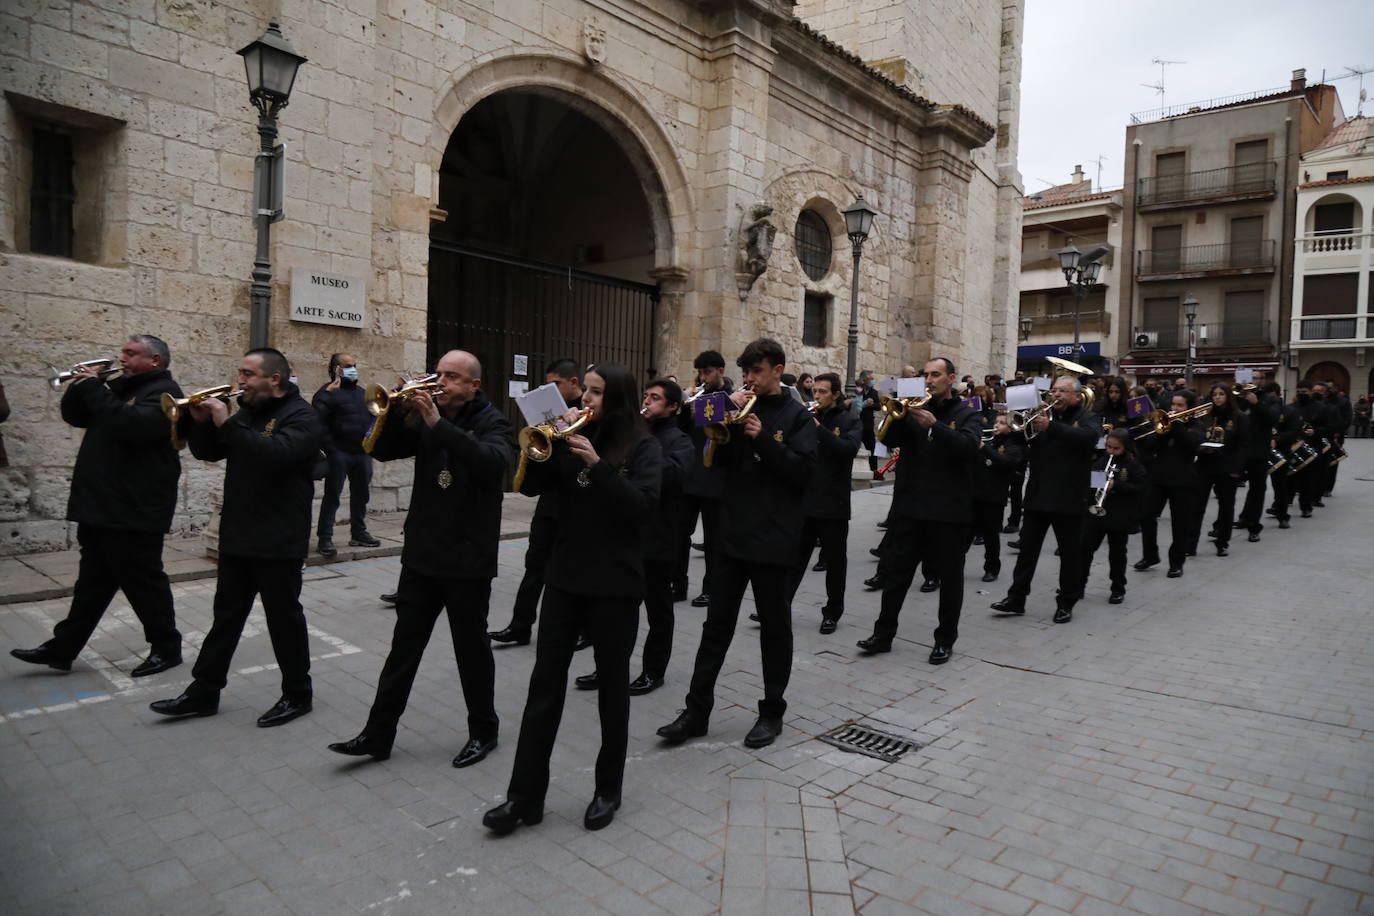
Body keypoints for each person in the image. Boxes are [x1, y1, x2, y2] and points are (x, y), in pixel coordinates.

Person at [483, 363, 662, 836]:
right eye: (584, 389)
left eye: (597, 392)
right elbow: (531, 488)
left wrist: (597, 466)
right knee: (544, 687)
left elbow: (642, 509)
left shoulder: (644, 446)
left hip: (615, 586)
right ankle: (524, 797)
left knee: (610, 692)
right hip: (564, 578)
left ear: (619, 398)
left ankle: (608, 789)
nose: (585, 398)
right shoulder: (569, 435)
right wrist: (544, 447)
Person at [327, 350, 515, 766]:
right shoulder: (427, 414)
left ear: (473, 385)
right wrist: (395, 409)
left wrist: (436, 423)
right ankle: (377, 735)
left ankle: (484, 731)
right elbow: (382, 450)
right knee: (403, 650)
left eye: (451, 377)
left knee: (471, 651)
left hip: (468, 558)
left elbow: (491, 464)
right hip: (423, 554)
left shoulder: (494, 423)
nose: (441, 383)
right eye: (439, 374)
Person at [150, 348, 324, 726]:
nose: (239, 381)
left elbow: (275, 455)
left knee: (284, 619)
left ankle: (298, 694)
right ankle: (204, 692)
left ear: (273, 379)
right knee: (225, 618)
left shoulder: (303, 417)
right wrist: (199, 423)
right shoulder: (248, 412)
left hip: (279, 537)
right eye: (240, 373)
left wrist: (225, 422)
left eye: (247, 374)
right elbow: (211, 452)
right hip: (239, 533)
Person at [657, 338, 816, 749]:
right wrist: (724, 413)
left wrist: (763, 438)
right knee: (715, 628)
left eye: (756, 372)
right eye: (745, 372)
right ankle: (696, 712)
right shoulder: (734, 404)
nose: (749, 379)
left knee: (774, 630)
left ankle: (771, 711)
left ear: (778, 370)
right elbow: (700, 439)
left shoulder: (798, 416)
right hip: (730, 534)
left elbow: (800, 474)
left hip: (774, 539)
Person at [10, 335, 185, 677]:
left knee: (143, 582)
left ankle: (167, 647)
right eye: (123, 352)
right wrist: (79, 386)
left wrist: (94, 388)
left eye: (131, 354)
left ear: (154, 361)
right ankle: (63, 648)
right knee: (92, 583)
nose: (122, 358)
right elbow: (75, 416)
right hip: (102, 505)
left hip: (135, 509)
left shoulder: (165, 394)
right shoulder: (118, 387)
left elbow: (128, 426)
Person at [857, 358, 981, 663]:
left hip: (949, 513)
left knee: (950, 581)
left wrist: (935, 426)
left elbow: (968, 448)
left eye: (935, 375)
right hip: (911, 508)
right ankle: (882, 635)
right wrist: (896, 415)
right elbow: (887, 439)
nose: (929, 379)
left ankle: (944, 640)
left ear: (951, 378)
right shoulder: (911, 410)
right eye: (926, 375)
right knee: (896, 576)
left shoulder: (968, 414)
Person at [575, 378, 694, 695]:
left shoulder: (679, 441)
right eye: (646, 396)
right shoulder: (630, 435)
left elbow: (674, 477)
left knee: (658, 610)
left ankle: (654, 671)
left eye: (656, 399)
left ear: (672, 407)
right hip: (624, 534)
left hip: (658, 537)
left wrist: (642, 459)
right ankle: (608, 668)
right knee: (612, 609)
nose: (648, 402)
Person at [488, 359, 584, 645]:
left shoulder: (586, 416)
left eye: (555, 384)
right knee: (535, 565)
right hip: (551, 502)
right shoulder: (553, 415)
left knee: (574, 572)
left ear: (573, 384)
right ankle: (520, 625)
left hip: (577, 506)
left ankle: (583, 629)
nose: (551, 391)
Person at [991, 373, 1099, 623]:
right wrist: (1016, 418)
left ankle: (1066, 602)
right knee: (1027, 551)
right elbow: (1019, 438)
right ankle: (1016, 599)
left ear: (1076, 395)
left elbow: (1088, 439)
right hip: (1038, 494)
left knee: (1070, 555)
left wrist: (1051, 427)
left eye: (1062, 391)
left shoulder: (1087, 417)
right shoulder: (1040, 415)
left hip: (1069, 497)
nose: (1056, 395)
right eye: (1053, 391)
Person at [788, 372, 861, 634]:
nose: (816, 396)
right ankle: (779, 606)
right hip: (806, 499)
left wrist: (819, 428)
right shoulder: (806, 417)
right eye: (814, 391)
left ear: (836, 395)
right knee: (794, 559)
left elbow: (848, 450)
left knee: (835, 563)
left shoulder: (850, 419)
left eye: (822, 392)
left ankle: (832, 613)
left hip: (834, 503)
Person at [675, 350, 731, 607]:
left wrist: (695, 406)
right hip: (690, 474)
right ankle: (678, 584)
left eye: (707, 372)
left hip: (716, 477)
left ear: (720, 371)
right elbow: (683, 431)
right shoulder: (697, 397)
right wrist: (682, 406)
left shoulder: (732, 397)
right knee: (679, 534)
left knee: (713, 540)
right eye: (700, 373)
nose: (703, 378)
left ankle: (711, 588)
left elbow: (716, 423)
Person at [313, 352, 379, 558]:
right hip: (339, 453)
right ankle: (325, 538)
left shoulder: (362, 393)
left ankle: (358, 532)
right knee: (333, 496)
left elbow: (372, 419)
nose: (353, 368)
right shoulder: (326, 392)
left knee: (361, 495)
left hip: (362, 453)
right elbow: (317, 422)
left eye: (354, 365)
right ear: (336, 369)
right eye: (348, 365)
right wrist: (331, 448)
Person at [1133, 390, 1204, 578]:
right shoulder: (1165, 424)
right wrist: (1164, 427)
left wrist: (1177, 425)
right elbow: (1150, 445)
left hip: (1183, 480)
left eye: (1180, 406)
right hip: (1159, 478)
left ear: (1189, 407)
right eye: (1173, 405)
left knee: (1180, 524)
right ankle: (1150, 556)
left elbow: (1192, 445)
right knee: (1146, 516)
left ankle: (1176, 562)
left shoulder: (1197, 425)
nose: (1175, 409)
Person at [1080, 428, 1147, 604]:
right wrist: (1098, 485)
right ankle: (1078, 585)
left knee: (1117, 554)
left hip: (1120, 515)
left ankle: (1118, 588)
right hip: (1097, 513)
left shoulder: (1132, 464)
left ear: (1125, 447)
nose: (1111, 451)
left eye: (1115, 448)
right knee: (1085, 551)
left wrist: (1116, 485)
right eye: (1108, 447)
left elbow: (1140, 487)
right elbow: (1092, 485)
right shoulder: (1101, 461)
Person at [969, 413, 1023, 583]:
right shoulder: (992, 441)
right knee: (964, 534)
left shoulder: (1014, 446)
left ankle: (992, 568)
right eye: (996, 422)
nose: (997, 425)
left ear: (1011, 427)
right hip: (975, 494)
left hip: (994, 497)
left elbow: (1004, 461)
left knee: (991, 536)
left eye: (1002, 423)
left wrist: (983, 448)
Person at [1194, 385, 1247, 557]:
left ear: (1228, 396)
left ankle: (1222, 542)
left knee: (1226, 506)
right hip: (1205, 465)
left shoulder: (1239, 417)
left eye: (1221, 394)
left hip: (1227, 466)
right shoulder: (1205, 415)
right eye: (1214, 394)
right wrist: (1201, 446)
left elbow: (1242, 445)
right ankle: (1190, 543)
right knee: (1197, 506)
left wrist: (1237, 469)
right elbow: (1197, 436)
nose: (1217, 397)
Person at [1234, 384, 1278, 543]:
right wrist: (1241, 399)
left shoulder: (1270, 400)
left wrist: (1256, 404)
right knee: (1228, 489)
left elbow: (1273, 419)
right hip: (1240, 451)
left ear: (1263, 381)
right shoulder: (1241, 399)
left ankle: (1253, 527)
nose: (1251, 386)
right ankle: (1229, 524)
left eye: (1258, 380)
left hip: (1259, 452)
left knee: (1257, 490)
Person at [856, 370, 881, 477]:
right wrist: (864, 404)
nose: (872, 381)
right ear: (864, 380)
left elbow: (878, 406)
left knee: (872, 448)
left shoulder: (874, 392)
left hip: (868, 424)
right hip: (858, 423)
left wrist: (870, 405)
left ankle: (874, 471)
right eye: (870, 379)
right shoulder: (857, 390)